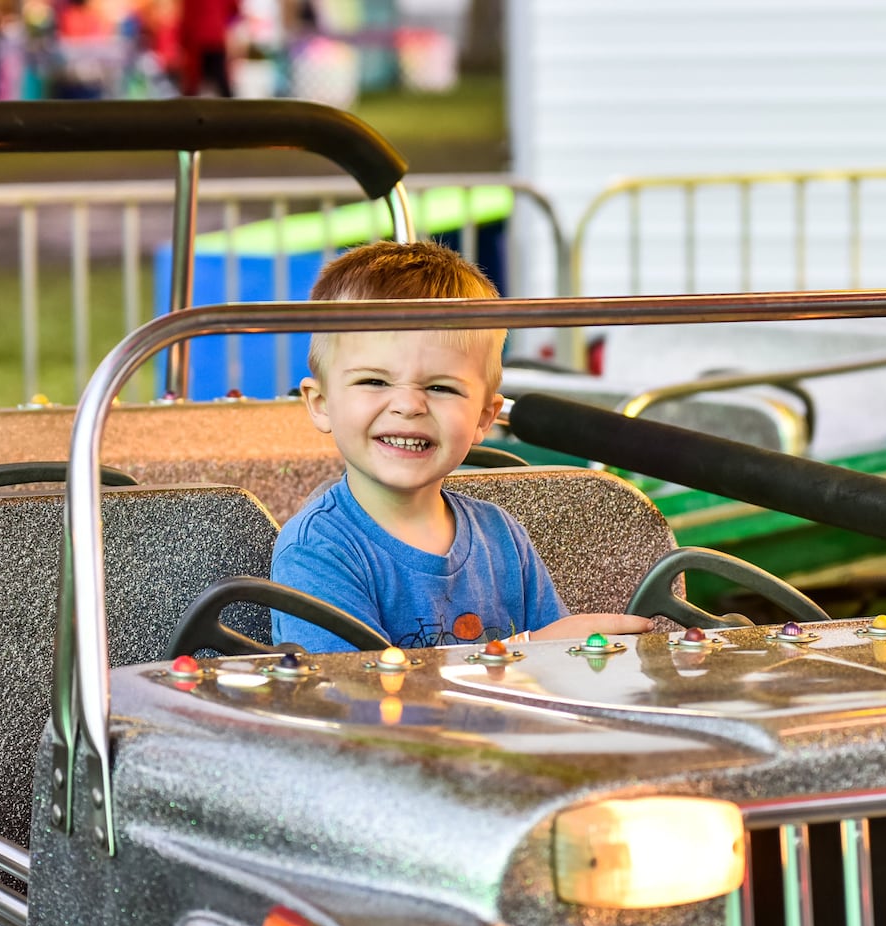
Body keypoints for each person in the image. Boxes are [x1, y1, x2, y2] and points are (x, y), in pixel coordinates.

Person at [270, 241, 656, 652]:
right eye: (374, 381)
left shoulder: (502, 537)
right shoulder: (318, 551)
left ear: (484, 418)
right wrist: (527, 648)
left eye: (440, 387)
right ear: (322, 404)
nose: (408, 405)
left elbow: (556, 671)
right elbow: (353, 698)